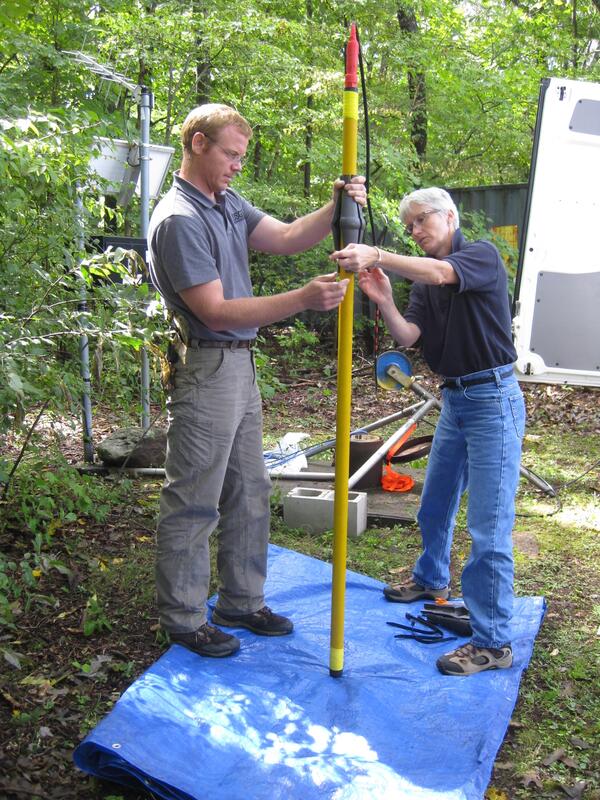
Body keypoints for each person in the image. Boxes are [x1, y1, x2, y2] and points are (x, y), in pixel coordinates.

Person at [148, 103, 366, 658]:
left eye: (242, 156)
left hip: (240, 366)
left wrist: (337, 203)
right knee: (195, 498)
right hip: (206, 365)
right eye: (230, 153)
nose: (237, 165)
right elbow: (215, 310)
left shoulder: (225, 203)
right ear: (197, 144)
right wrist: (302, 300)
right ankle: (184, 618)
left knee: (250, 490)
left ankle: (241, 601)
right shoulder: (179, 218)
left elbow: (290, 237)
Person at [331, 187, 525, 676]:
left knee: (488, 526)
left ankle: (494, 642)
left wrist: (378, 255)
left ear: (450, 217)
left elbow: (443, 273)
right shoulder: (421, 283)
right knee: (434, 503)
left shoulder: (478, 255)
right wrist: (384, 298)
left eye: (422, 221)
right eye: (410, 226)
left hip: (492, 398)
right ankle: (431, 579)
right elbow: (409, 337)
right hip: (455, 400)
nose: (415, 231)